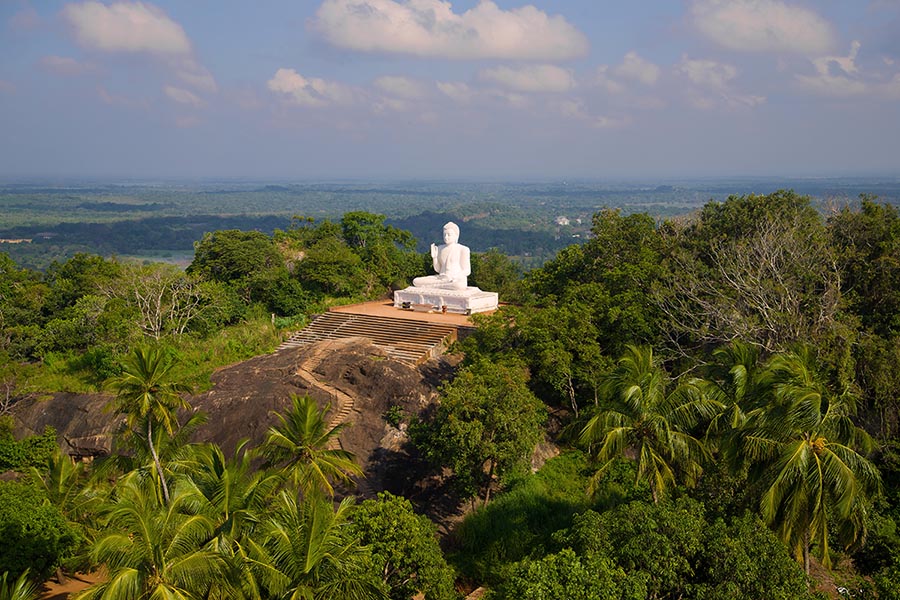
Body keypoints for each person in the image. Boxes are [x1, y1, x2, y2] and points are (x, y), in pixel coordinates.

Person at [412, 222, 471, 290]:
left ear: (456, 236)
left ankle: (435, 286)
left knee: (459, 285)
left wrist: (455, 277)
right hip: (441, 278)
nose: (446, 237)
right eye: (444, 235)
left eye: (449, 235)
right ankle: (441, 286)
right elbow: (438, 269)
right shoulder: (440, 248)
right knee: (416, 281)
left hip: (455, 279)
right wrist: (434, 258)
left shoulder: (463, 249)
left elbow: (467, 270)